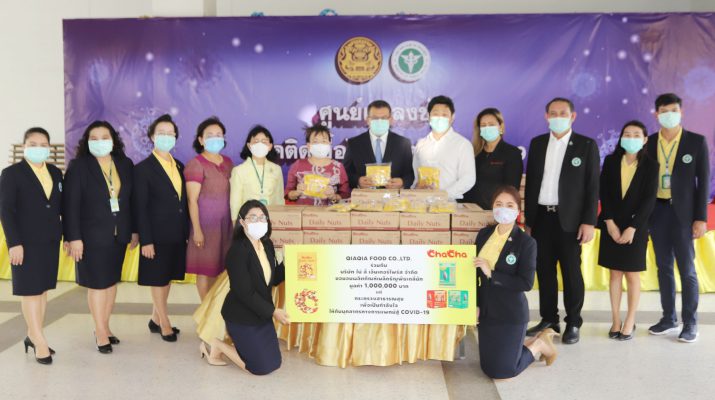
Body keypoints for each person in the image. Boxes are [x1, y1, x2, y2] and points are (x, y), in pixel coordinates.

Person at [524, 97, 599, 344]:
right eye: (553, 113)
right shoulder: (537, 144)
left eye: (563, 113)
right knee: (544, 271)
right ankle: (549, 319)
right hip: (541, 218)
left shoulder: (586, 145)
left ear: (572, 116)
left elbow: (592, 187)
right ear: (546, 117)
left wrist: (589, 221)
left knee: (571, 272)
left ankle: (573, 322)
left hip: (570, 221)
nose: (558, 117)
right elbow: (532, 184)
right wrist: (528, 220)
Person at [63, 121, 138, 353]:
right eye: (93, 138)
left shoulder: (125, 164)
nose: (99, 142)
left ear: (113, 140)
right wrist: (73, 237)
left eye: (104, 137)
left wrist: (134, 230)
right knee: (97, 284)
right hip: (90, 237)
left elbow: (131, 201)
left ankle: (105, 326)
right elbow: (70, 205)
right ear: (87, 142)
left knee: (111, 282)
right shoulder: (79, 166)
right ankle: (100, 331)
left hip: (119, 235)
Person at [475, 186, 557, 379]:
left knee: (503, 371)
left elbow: (526, 283)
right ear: (492, 208)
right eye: (499, 204)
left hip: (510, 314)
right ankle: (529, 343)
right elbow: (474, 275)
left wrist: (491, 273)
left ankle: (539, 344)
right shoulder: (484, 235)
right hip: (487, 312)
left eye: (509, 205)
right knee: (487, 368)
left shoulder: (526, 243)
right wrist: (475, 304)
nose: (503, 209)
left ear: (517, 211)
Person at [646, 93, 710, 343]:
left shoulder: (696, 141)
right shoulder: (650, 142)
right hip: (658, 212)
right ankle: (668, 318)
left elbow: (704, 182)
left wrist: (700, 218)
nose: (669, 115)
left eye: (673, 110)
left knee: (687, 269)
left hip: (683, 214)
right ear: (656, 114)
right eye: (664, 111)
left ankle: (690, 322)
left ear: (681, 112)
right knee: (663, 267)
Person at [198, 200, 289, 375]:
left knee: (275, 363)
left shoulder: (267, 245)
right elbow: (245, 293)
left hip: (260, 314)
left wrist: (288, 262)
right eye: (252, 218)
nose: (258, 221)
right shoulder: (237, 251)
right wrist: (273, 311)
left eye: (262, 217)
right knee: (260, 368)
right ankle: (218, 346)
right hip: (241, 315)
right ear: (242, 222)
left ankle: (224, 347)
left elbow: (272, 280)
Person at [0, 127, 63, 364]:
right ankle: (39, 340)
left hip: (49, 240)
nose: (38, 148)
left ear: (49, 147)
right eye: (33, 144)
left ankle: (32, 334)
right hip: (24, 243)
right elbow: (6, 211)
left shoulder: (55, 172)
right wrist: (14, 243)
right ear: (24, 146)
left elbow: (59, 206)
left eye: (43, 144)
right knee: (30, 291)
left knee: (43, 289)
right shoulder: (12, 173)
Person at [598, 121, 658, 341]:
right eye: (627, 134)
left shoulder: (651, 166)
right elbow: (604, 193)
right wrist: (609, 222)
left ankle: (630, 320)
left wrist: (633, 227)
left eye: (636, 135)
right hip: (611, 225)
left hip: (636, 228)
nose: (631, 138)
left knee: (632, 275)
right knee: (614, 274)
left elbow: (649, 200)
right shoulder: (611, 161)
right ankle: (615, 320)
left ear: (644, 140)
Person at [133, 114, 189, 342]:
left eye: (170, 133)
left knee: (167, 277)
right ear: (152, 137)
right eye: (161, 133)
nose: (166, 137)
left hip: (176, 233)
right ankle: (165, 323)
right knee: (158, 279)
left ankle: (155, 318)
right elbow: (140, 208)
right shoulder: (143, 169)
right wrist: (146, 240)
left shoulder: (179, 165)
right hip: (155, 236)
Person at [184, 117, 234, 301]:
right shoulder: (196, 164)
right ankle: (205, 309)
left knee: (219, 267)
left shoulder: (228, 162)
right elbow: (192, 200)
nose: (215, 138)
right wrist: (197, 230)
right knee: (204, 269)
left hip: (226, 226)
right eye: (210, 135)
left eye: (219, 135)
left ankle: (214, 308)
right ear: (201, 140)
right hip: (205, 226)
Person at [412, 95, 475, 200]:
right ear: (428, 116)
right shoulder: (421, 144)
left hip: (449, 203)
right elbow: (416, 176)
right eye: (435, 114)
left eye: (444, 115)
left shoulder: (463, 144)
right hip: (422, 203)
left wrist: (444, 195)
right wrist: (417, 187)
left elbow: (468, 178)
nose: (440, 118)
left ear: (452, 117)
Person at [342, 100, 415, 189]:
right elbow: (345, 173)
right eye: (375, 118)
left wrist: (402, 182)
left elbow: (410, 174)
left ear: (391, 120)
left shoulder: (403, 143)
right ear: (367, 120)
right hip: (365, 196)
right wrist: (357, 181)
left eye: (384, 118)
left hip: (394, 196)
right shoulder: (354, 143)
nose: (379, 121)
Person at [462, 108, 523, 209]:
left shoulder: (512, 153)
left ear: (500, 126)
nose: (487, 128)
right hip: (470, 209)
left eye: (491, 124)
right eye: (483, 125)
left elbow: (511, 189)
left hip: (497, 210)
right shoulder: (473, 153)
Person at [229, 125, 285, 222]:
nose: (260, 144)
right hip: (248, 222)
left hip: (271, 220)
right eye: (256, 141)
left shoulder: (276, 169)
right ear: (249, 146)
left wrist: (281, 220)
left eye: (264, 141)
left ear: (270, 146)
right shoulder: (239, 170)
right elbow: (235, 203)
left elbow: (279, 199)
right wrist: (236, 224)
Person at [285, 124, 350, 205]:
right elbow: (288, 193)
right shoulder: (298, 165)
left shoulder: (338, 167)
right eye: (315, 142)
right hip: (303, 211)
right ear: (308, 145)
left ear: (329, 144)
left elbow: (345, 196)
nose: (320, 145)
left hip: (330, 212)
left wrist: (333, 196)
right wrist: (297, 193)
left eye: (324, 141)